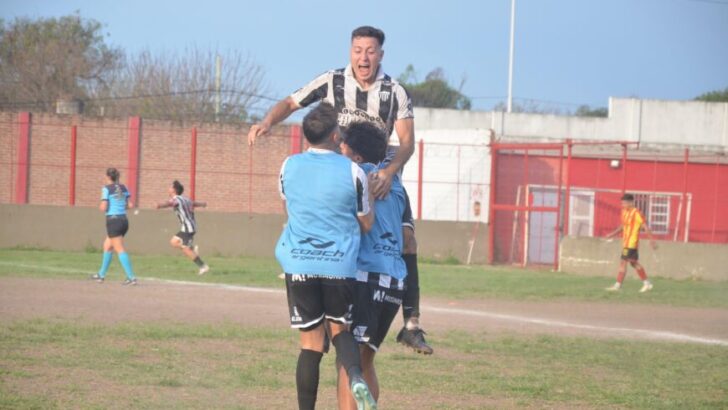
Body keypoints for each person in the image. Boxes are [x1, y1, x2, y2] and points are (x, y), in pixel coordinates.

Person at [249, 25, 432, 355]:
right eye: (357, 49)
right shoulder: (331, 81)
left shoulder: (396, 92)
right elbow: (292, 102)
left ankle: (412, 324)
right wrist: (266, 122)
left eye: (370, 51)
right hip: (342, 177)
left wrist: (389, 173)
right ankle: (325, 306)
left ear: (380, 55)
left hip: (382, 179)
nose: (363, 56)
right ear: (350, 51)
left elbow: (407, 143)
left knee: (407, 239)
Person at [276, 103, 377, 410]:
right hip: (339, 265)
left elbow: (288, 207)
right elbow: (366, 222)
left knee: (309, 344)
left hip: (299, 263)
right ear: (335, 136)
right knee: (340, 330)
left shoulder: (287, 166)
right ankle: (357, 377)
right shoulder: (353, 170)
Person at [337, 122, 407, 409]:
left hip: (366, 277)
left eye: (342, 147)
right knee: (366, 361)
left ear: (355, 157)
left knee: (348, 362)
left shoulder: (356, 177)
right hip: (395, 281)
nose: (338, 150)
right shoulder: (397, 184)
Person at [90, 168, 137, 285]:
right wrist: (119, 206)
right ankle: (101, 275)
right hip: (124, 220)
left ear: (107, 177)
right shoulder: (123, 187)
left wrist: (101, 207)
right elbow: (130, 205)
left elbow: (104, 207)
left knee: (119, 249)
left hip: (113, 221)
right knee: (107, 246)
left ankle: (131, 277)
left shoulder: (106, 189)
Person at [605, 193, 658, 293]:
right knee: (633, 263)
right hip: (626, 243)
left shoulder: (636, 213)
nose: (623, 205)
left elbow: (645, 227)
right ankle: (647, 283)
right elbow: (623, 226)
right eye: (622, 203)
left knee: (624, 262)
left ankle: (618, 286)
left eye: (625, 203)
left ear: (631, 202)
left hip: (631, 243)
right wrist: (612, 234)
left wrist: (652, 240)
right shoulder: (624, 212)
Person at [156, 180, 210, 275]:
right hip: (188, 227)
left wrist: (160, 205)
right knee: (173, 242)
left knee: (185, 249)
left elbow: (170, 203)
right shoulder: (185, 199)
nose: (168, 189)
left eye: (170, 187)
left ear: (174, 190)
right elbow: (193, 203)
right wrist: (202, 204)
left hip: (188, 228)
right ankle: (192, 249)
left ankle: (202, 266)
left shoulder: (176, 199)